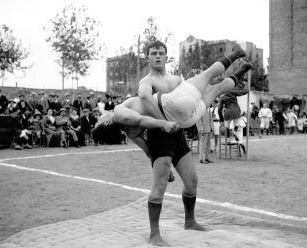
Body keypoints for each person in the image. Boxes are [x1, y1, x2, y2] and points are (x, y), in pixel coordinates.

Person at [97, 40, 250, 246]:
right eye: (154, 53)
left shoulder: (175, 79)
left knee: (192, 181)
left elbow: (144, 126)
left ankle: (190, 220)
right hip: (161, 134)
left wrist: (173, 123)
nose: (158, 56)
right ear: (148, 57)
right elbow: (142, 131)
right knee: (159, 185)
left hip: (178, 126)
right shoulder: (143, 86)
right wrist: (162, 126)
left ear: (166, 56)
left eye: (161, 52)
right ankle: (154, 234)